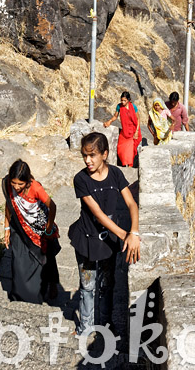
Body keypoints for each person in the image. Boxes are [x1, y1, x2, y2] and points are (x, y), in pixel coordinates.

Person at [68, 132, 141, 336]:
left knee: (107, 284)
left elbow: (131, 204)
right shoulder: (81, 179)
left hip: (108, 241)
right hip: (87, 239)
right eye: (84, 155)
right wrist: (124, 234)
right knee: (88, 285)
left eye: (92, 155)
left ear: (105, 154)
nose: (87, 160)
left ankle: (106, 325)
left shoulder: (116, 174)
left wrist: (133, 232)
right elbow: (98, 214)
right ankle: (85, 327)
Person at [3, 160, 60, 303]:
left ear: (27, 181)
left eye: (20, 184)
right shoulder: (8, 184)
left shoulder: (36, 188)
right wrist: (6, 227)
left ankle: (51, 283)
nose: (16, 187)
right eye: (14, 183)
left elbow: (52, 206)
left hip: (40, 226)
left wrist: (48, 228)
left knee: (47, 256)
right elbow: (9, 204)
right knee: (18, 259)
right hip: (19, 225)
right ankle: (20, 292)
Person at [103, 92, 140, 167]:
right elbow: (115, 116)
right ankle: (125, 164)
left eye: (124, 101)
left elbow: (138, 119)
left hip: (133, 131)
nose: (123, 102)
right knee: (121, 148)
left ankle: (129, 166)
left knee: (130, 149)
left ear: (128, 100)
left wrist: (136, 132)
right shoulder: (119, 107)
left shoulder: (133, 106)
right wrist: (109, 121)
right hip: (125, 131)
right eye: (121, 100)